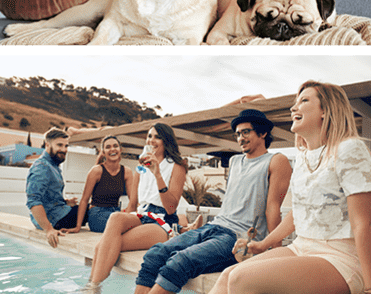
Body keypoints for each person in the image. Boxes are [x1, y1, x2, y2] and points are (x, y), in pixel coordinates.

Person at [208, 81, 371, 294]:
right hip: (302, 246)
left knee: (241, 278)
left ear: (326, 110)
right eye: (295, 102)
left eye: (304, 101)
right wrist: (263, 243)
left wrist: (369, 285)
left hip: (340, 255)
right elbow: (298, 214)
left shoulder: (349, 148)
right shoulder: (302, 157)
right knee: (227, 275)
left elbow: (363, 222)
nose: (293, 108)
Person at [133, 109, 292, 294]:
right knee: (155, 253)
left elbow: (273, 208)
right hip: (214, 227)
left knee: (181, 261)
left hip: (237, 237)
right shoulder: (235, 161)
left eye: (246, 132)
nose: (240, 138)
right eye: (238, 134)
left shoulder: (276, 161)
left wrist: (274, 252)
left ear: (263, 133)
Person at [77, 123, 191, 293]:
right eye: (149, 136)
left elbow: (171, 208)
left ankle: (92, 287)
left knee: (102, 247)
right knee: (115, 218)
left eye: (157, 137)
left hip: (162, 221)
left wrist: (157, 174)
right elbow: (133, 203)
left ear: (166, 141)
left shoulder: (177, 165)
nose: (151, 140)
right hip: (142, 214)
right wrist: (124, 223)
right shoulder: (141, 166)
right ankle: (92, 287)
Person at [26, 127, 86, 247]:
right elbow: (33, 201)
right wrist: (49, 229)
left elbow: (47, 197)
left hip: (57, 214)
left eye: (66, 146)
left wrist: (65, 202)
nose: (64, 149)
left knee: (91, 209)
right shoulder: (42, 167)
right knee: (94, 210)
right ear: (47, 145)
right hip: (54, 220)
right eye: (59, 145)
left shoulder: (53, 165)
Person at [66, 135, 139, 234]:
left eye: (115, 146)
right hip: (97, 215)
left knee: (137, 223)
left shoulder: (127, 171)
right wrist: (78, 227)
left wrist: (132, 215)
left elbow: (133, 200)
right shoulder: (96, 171)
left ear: (120, 149)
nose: (112, 149)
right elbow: (84, 200)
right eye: (108, 147)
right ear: (103, 152)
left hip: (116, 213)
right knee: (120, 225)